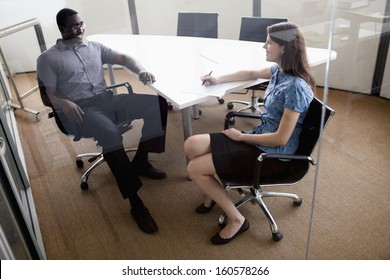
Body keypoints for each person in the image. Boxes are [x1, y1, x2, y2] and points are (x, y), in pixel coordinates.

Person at [37, 8, 169, 234]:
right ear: (62, 29)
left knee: (157, 104)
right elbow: (47, 96)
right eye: (73, 26)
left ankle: (140, 160)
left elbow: (125, 58)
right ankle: (136, 204)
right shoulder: (48, 58)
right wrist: (63, 103)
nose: (79, 29)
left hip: (106, 101)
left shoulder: (94, 47)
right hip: (81, 110)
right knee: (110, 134)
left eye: (81, 24)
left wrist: (141, 70)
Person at [184, 22, 315, 245]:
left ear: (284, 47)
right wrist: (218, 79)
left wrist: (242, 137)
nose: (264, 46)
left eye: (269, 42)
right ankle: (213, 188)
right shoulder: (280, 71)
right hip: (259, 138)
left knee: (194, 168)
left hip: (272, 155)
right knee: (191, 145)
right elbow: (252, 72)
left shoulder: (295, 86)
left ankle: (237, 220)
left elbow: (281, 138)